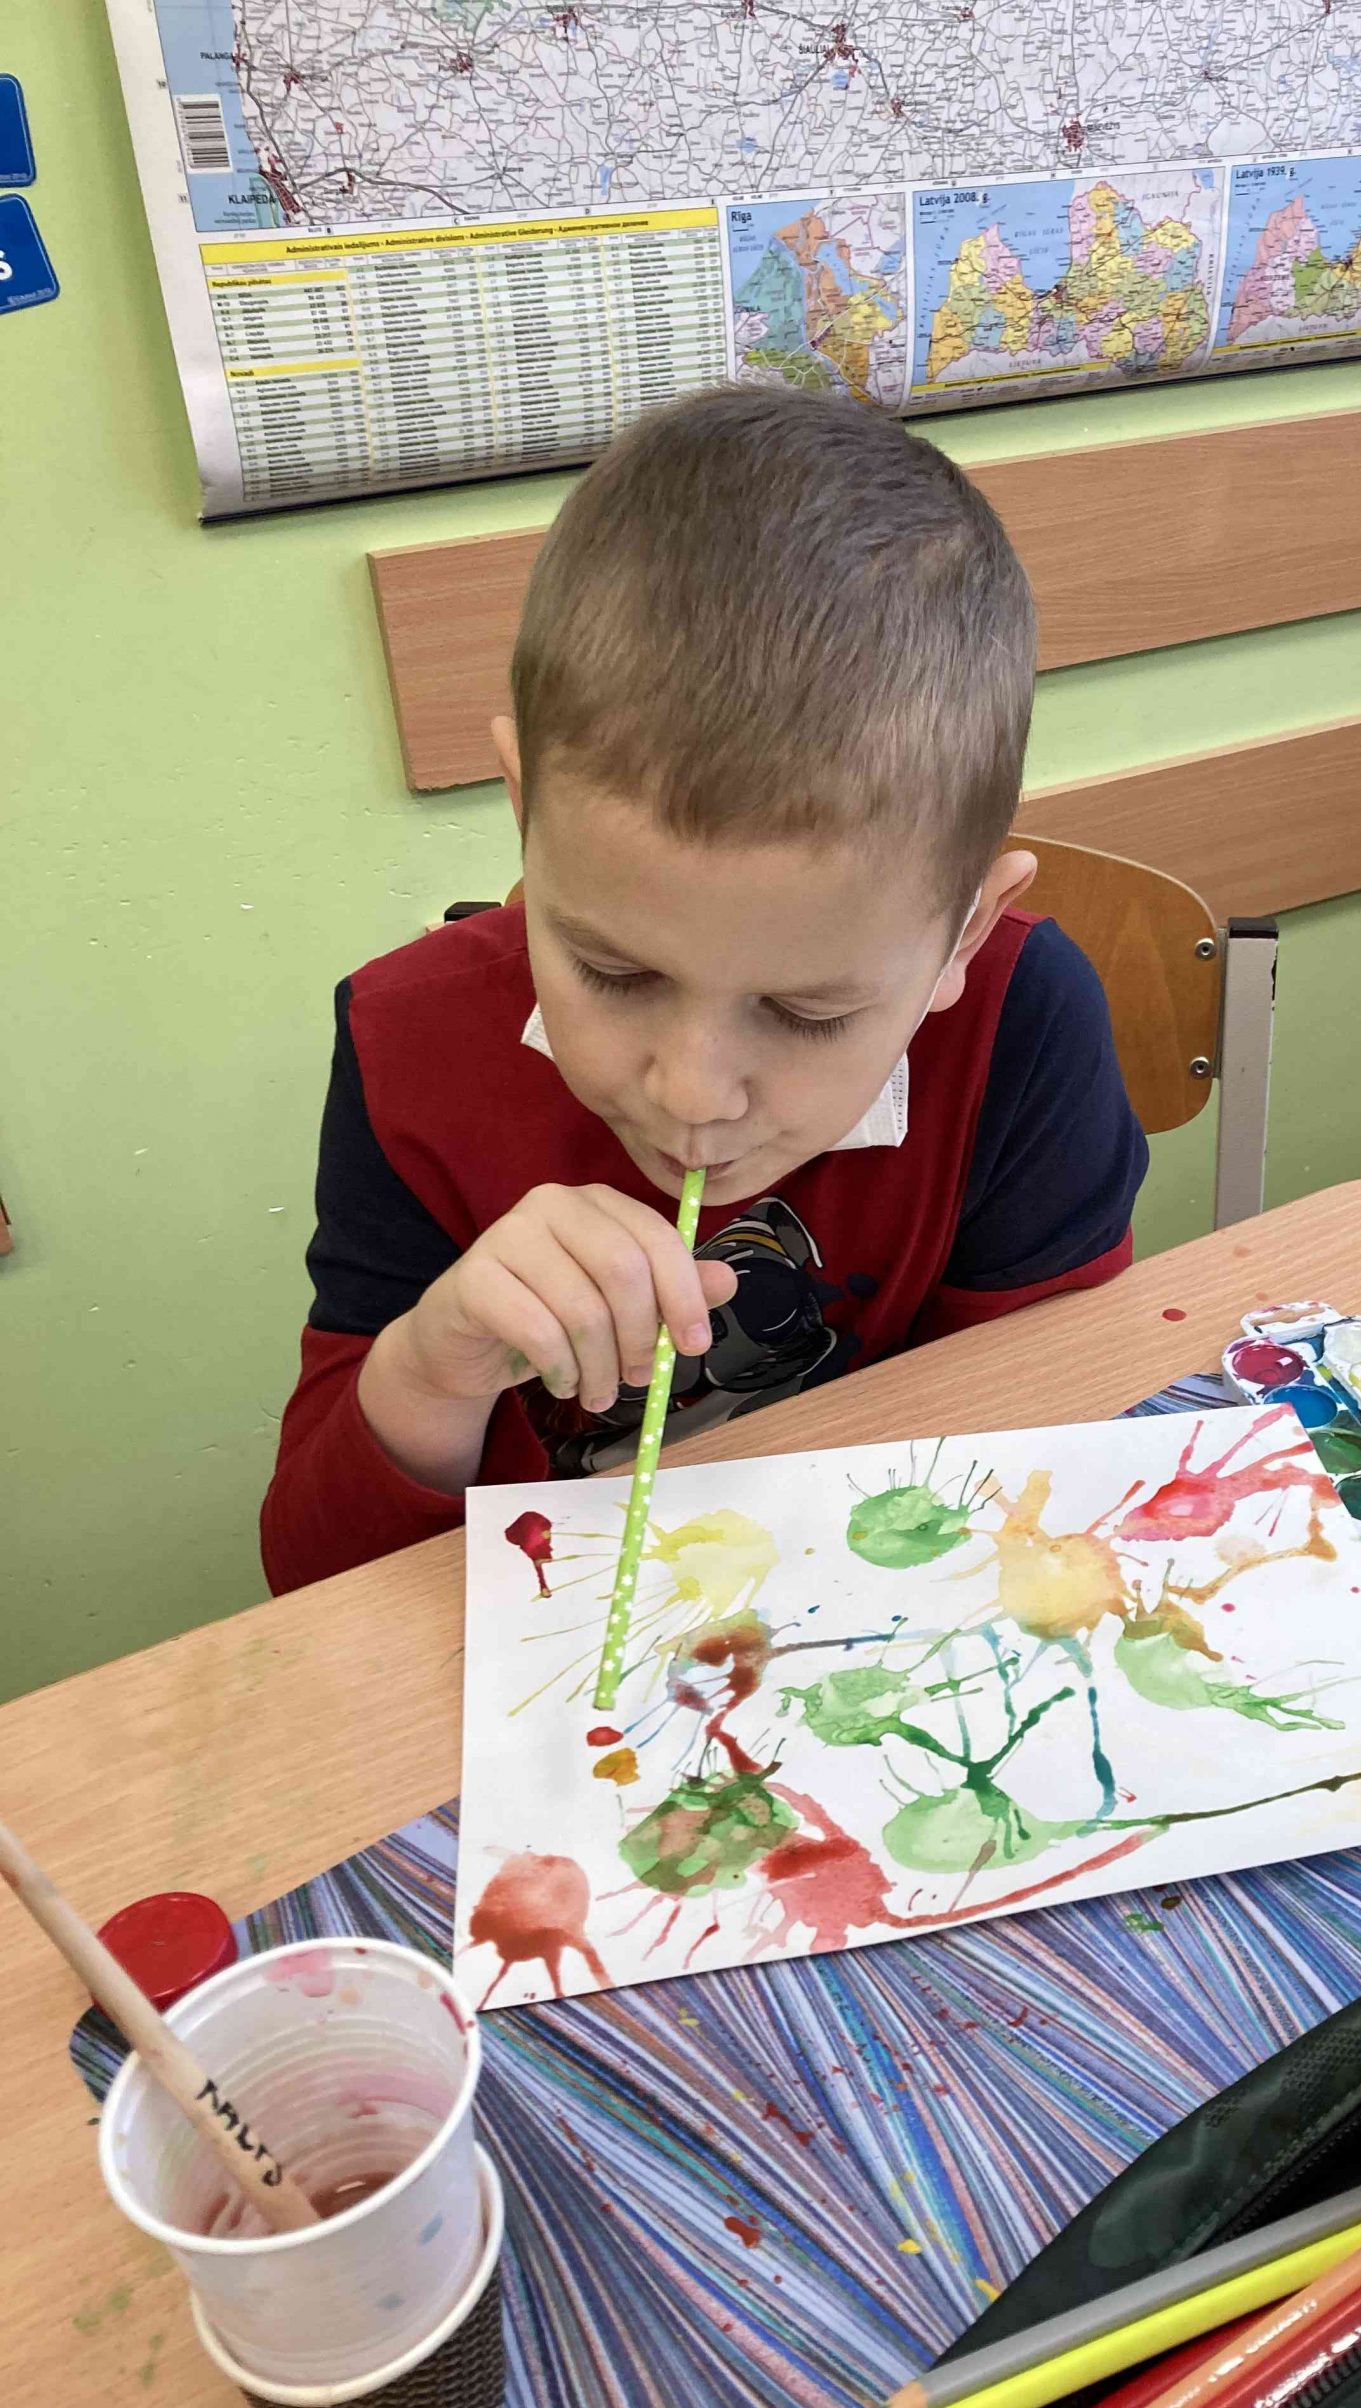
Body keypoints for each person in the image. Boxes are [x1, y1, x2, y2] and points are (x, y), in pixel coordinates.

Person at [261, 386, 1147, 1594]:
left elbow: (1048, 1458)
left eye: (808, 1013)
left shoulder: (1020, 1023)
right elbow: (314, 1584)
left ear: (963, 937)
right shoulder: (404, 1047)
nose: (692, 1093)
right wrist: (432, 1370)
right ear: (524, 811)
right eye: (613, 971)